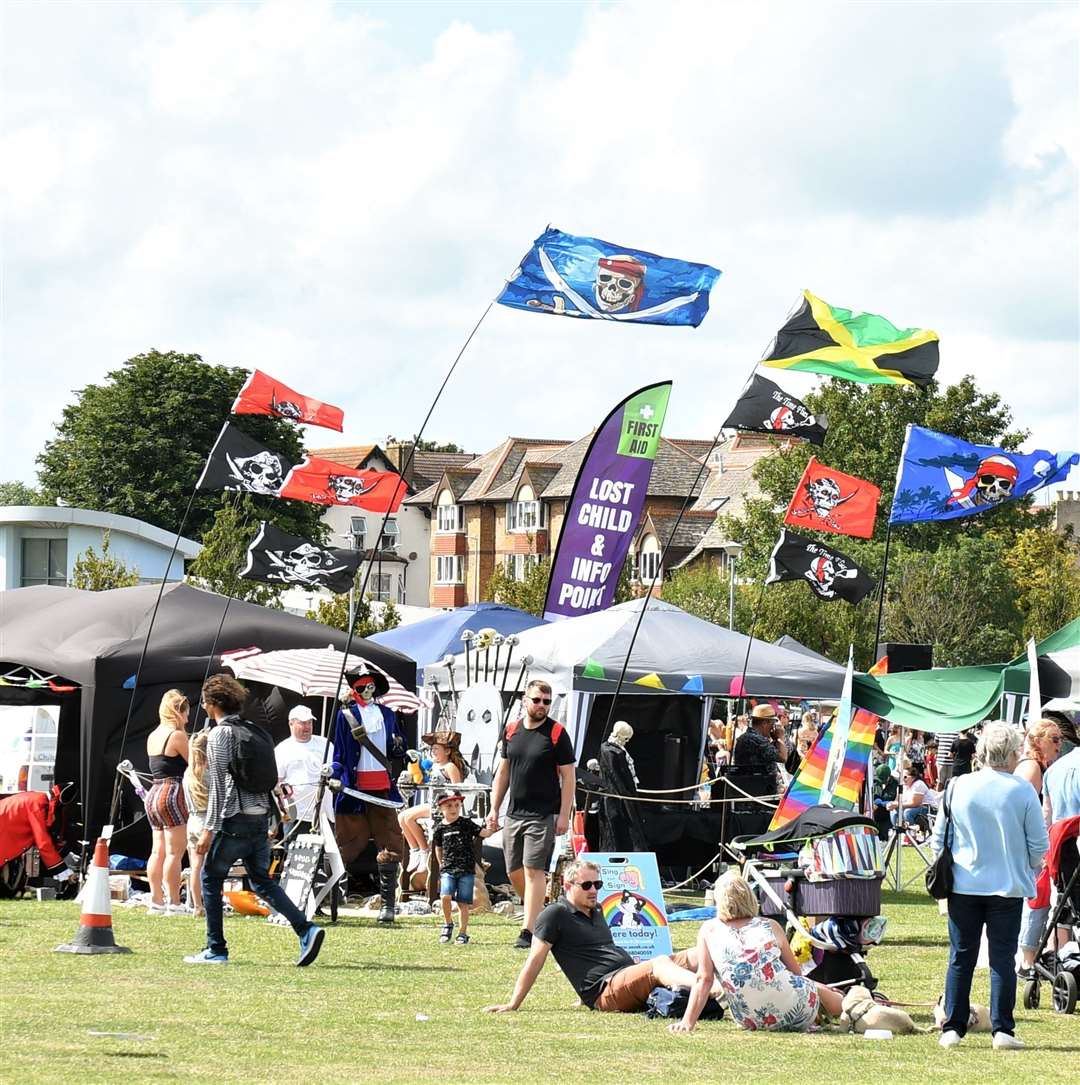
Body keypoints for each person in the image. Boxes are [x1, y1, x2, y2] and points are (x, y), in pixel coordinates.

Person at [184, 674, 324, 967]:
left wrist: (210, 828)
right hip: (261, 818)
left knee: (210, 878)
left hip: (235, 820)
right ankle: (306, 928)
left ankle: (216, 949)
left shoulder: (220, 735)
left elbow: (220, 785)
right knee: (262, 880)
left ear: (211, 705)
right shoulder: (256, 730)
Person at [932, 722, 1048, 1050]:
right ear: (1012, 754)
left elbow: (938, 839)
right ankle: (1002, 1030)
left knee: (960, 957)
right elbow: (1038, 845)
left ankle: (952, 1027)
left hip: (963, 885)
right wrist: (1025, 865)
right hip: (1006, 887)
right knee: (1002, 958)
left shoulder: (957, 785)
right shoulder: (1022, 790)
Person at [482, 859, 710, 1013]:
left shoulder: (598, 909)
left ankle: (739, 982)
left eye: (597, 884)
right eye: (587, 885)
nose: (593, 890)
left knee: (694, 954)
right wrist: (513, 1004)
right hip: (606, 991)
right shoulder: (554, 914)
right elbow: (534, 961)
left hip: (624, 977)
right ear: (567, 885)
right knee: (659, 963)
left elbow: (594, 952)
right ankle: (713, 989)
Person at [669, 870, 842, 1033]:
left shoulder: (709, 930)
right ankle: (853, 1006)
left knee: (810, 989)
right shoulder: (770, 926)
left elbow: (704, 979)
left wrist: (687, 1022)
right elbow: (796, 974)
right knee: (819, 990)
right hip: (795, 1007)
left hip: (749, 1018)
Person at [487, 679, 576, 950]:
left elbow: (569, 777)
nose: (541, 706)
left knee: (533, 870)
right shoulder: (512, 730)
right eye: (536, 700)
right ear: (525, 700)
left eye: (546, 702)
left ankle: (528, 930)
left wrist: (563, 815)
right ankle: (541, 915)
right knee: (514, 870)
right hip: (514, 813)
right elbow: (502, 773)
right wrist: (493, 809)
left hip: (542, 814)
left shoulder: (557, 733)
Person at [332, 668, 407, 923]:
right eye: (362, 687)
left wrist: (400, 747)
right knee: (345, 842)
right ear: (354, 690)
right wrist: (334, 773)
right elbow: (340, 753)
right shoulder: (346, 716)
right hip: (353, 788)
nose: (367, 691)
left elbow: (397, 747)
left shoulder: (387, 714)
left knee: (390, 841)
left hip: (382, 787)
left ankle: (387, 905)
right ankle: (328, 897)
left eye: (371, 686)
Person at [1015, 718, 1062, 977]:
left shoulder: (1036, 766)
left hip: (1033, 847)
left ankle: (1031, 957)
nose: (1059, 745)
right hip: (1031, 850)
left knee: (1038, 901)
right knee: (1036, 901)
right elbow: (1024, 813)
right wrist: (1038, 850)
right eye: (1053, 739)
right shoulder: (1032, 768)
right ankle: (1027, 962)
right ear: (1037, 740)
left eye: (1060, 739)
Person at [145, 690, 190, 914]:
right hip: (172, 791)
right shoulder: (177, 736)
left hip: (153, 792)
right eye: (187, 714)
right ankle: (174, 902)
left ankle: (156, 900)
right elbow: (195, 763)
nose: (188, 719)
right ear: (178, 712)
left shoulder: (153, 734)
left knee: (157, 850)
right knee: (175, 851)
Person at [399, 729, 465, 874]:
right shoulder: (434, 766)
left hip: (443, 806)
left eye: (436, 749)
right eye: (432, 749)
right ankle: (414, 850)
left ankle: (423, 850)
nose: (433, 752)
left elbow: (458, 789)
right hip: (432, 803)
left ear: (447, 751)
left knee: (409, 817)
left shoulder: (450, 767)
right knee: (401, 816)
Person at [432, 789, 494, 945]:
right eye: (449, 806)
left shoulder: (466, 823)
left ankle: (463, 933)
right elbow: (438, 848)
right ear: (441, 808)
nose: (453, 809)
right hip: (448, 869)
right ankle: (447, 924)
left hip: (466, 869)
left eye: (457, 805)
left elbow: (483, 833)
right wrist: (441, 864)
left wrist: (492, 827)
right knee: (445, 896)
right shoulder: (439, 829)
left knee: (463, 903)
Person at [275, 705, 334, 837]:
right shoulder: (282, 749)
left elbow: (336, 769)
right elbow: (276, 783)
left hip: (324, 813)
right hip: (296, 815)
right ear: (291, 724)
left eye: (309, 722)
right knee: (294, 852)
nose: (307, 727)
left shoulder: (326, 744)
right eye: (302, 723)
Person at [597, 721, 648, 852]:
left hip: (625, 794)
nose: (627, 742)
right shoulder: (610, 751)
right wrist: (626, 795)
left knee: (630, 829)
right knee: (615, 831)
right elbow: (615, 776)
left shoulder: (618, 750)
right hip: (615, 798)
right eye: (626, 738)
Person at [183, 732, 210, 917]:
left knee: (195, 866)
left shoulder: (188, 773)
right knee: (210, 868)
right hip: (206, 821)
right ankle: (210, 903)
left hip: (192, 820)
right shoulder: (209, 773)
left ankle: (197, 905)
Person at [732, 703, 788, 793]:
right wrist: (780, 737)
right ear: (765, 723)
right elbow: (783, 757)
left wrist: (774, 740)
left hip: (751, 789)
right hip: (759, 793)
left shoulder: (747, 737)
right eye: (772, 723)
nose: (773, 727)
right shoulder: (757, 740)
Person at [887, 763, 930, 829]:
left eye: (905, 777)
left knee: (907, 812)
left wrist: (898, 804)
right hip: (910, 807)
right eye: (901, 777)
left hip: (926, 807)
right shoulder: (902, 786)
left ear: (913, 777)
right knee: (893, 810)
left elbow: (915, 804)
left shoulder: (918, 784)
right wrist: (891, 805)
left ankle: (911, 833)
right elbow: (896, 801)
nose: (903, 779)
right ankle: (897, 830)